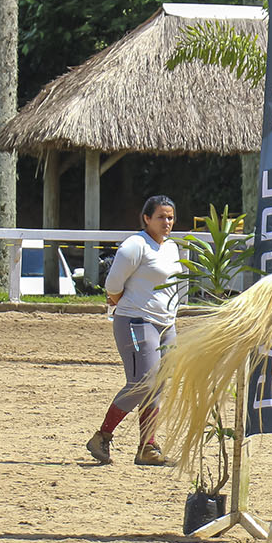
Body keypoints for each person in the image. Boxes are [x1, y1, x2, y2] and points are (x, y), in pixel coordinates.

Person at [86, 196, 184, 466]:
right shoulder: (135, 246)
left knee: (158, 386)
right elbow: (113, 284)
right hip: (136, 321)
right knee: (144, 382)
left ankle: (147, 447)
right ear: (146, 219)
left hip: (166, 324)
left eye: (171, 217)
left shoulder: (172, 248)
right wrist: (125, 305)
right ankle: (102, 436)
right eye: (162, 217)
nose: (167, 222)